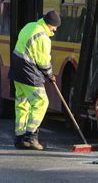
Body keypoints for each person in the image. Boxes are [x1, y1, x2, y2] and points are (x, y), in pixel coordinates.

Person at [8, 10, 61, 150]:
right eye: (55, 27)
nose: (55, 30)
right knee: (41, 101)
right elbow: (43, 61)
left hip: (16, 69)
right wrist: (50, 75)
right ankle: (30, 137)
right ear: (50, 25)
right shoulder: (43, 37)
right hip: (28, 72)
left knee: (22, 103)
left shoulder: (30, 26)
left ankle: (19, 138)